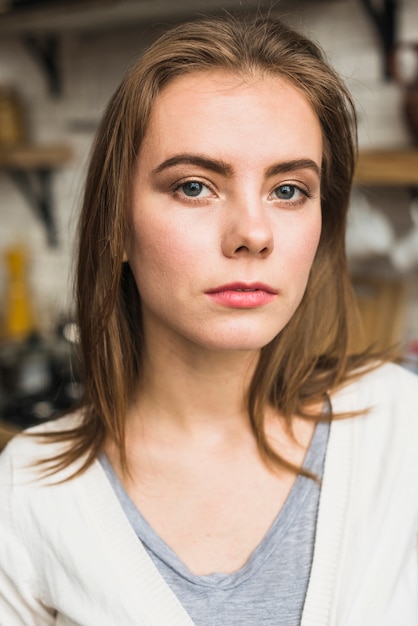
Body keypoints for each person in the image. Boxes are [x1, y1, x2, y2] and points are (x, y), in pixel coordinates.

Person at [0, 13, 417, 626]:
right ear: (115, 225)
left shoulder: (400, 429)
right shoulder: (29, 492)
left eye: (289, 190)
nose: (252, 233)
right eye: (195, 186)